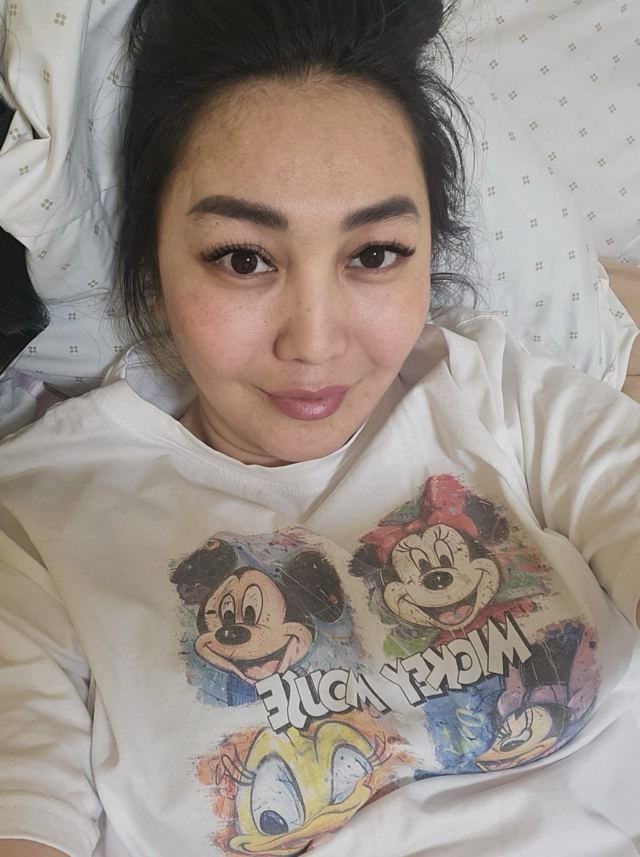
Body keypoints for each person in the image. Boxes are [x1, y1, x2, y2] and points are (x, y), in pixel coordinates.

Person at [0, 1, 639, 856]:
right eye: (243, 258)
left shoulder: (496, 390)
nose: (313, 342)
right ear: (152, 265)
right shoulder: (40, 524)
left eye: (374, 254)